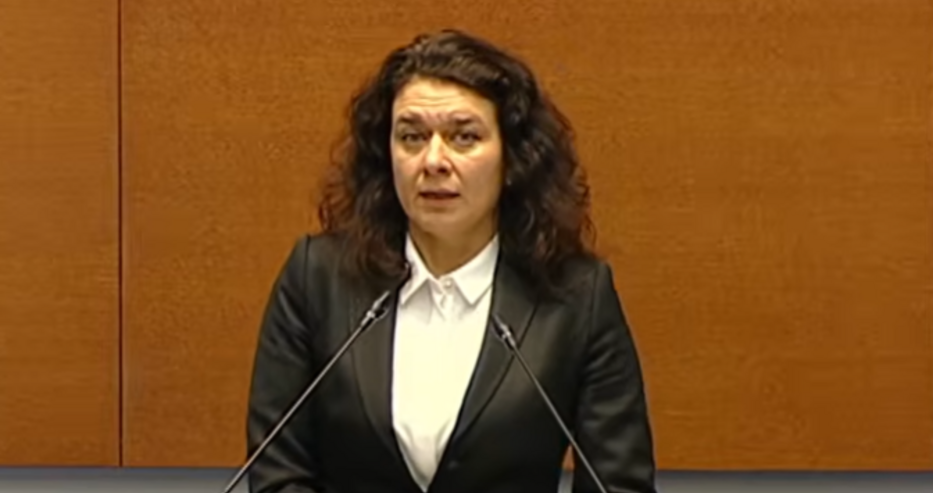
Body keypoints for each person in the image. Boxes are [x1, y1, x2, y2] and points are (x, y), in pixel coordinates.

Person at [246, 29, 657, 493]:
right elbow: (278, 475)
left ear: (513, 158)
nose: (433, 161)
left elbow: (618, 484)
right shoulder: (318, 277)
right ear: (387, 154)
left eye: (464, 137)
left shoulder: (577, 297)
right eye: (412, 137)